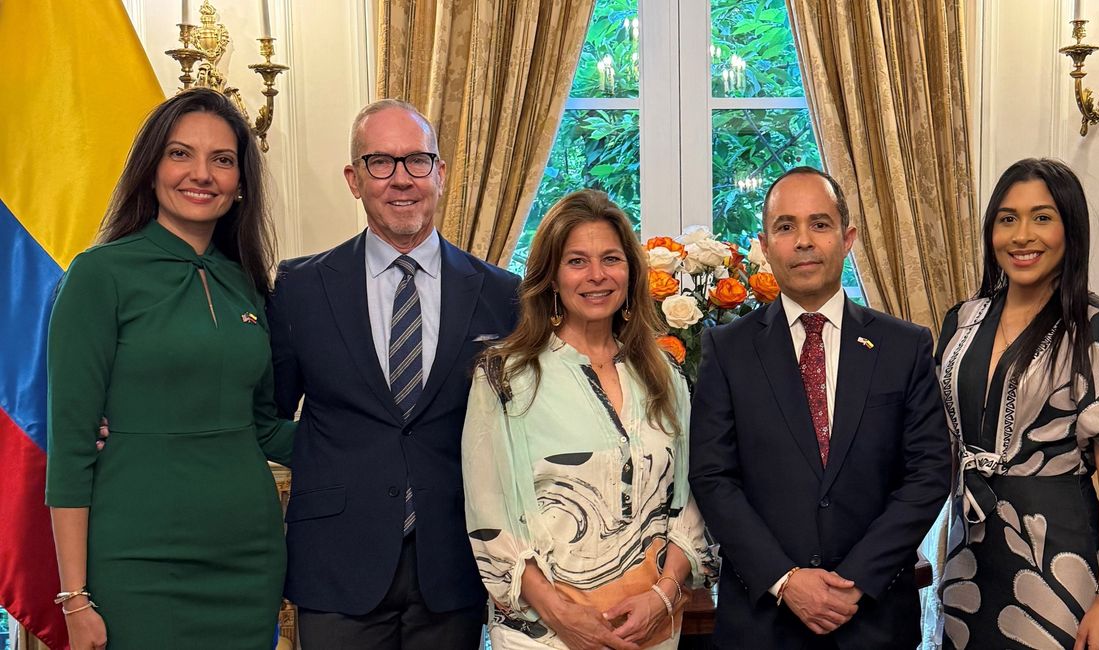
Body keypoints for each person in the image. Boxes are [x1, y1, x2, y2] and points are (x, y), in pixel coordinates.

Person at [46, 88, 295, 649]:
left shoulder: (249, 284)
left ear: (240, 186)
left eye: (223, 160)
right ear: (151, 167)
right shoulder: (98, 276)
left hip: (248, 560)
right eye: (181, 154)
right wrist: (75, 597)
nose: (201, 174)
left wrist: (377, 436)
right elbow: (71, 448)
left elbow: (264, 428)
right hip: (136, 562)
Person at [267, 99, 520, 649]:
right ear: (354, 179)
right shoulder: (300, 290)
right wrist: (331, 452)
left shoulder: (503, 294)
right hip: (337, 562)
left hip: (454, 563)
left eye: (417, 161)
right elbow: (266, 415)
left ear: (441, 174)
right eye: (381, 162)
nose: (401, 179)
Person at [689, 166, 951, 649]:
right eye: (785, 227)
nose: (803, 240)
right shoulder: (726, 350)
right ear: (765, 246)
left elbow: (929, 473)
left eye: (820, 224)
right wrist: (785, 580)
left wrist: (854, 580)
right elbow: (712, 477)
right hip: (761, 624)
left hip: (873, 619)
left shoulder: (903, 346)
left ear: (848, 238)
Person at [461, 189, 715, 649]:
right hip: (545, 636)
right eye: (577, 261)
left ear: (631, 272)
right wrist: (566, 619)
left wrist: (661, 597)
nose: (597, 276)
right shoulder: (503, 377)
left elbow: (693, 505)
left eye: (611, 259)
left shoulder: (667, 376)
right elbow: (488, 518)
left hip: (650, 629)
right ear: (551, 277)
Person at [934, 159, 1099, 650]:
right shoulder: (961, 321)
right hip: (967, 551)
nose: (1022, 236)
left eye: (1042, 217)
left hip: (1058, 557)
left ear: (1070, 229)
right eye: (1007, 218)